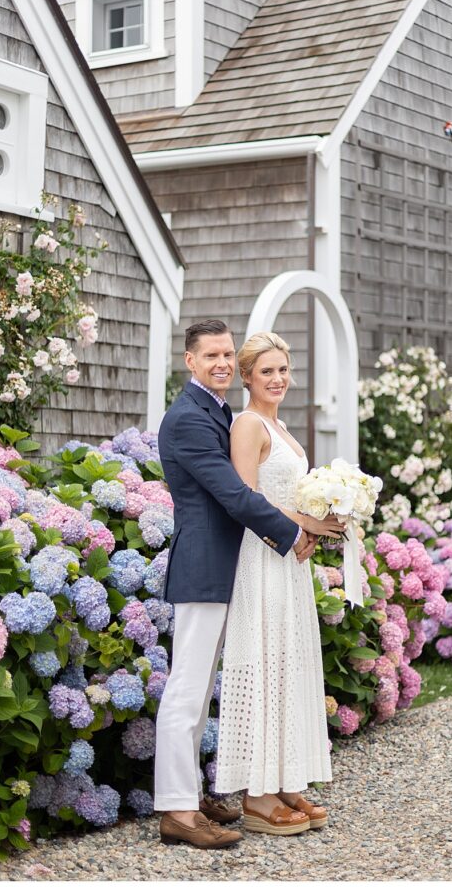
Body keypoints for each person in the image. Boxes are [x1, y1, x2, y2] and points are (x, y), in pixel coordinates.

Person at [154, 320, 342, 849]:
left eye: (226, 354)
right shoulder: (190, 418)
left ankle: (193, 795)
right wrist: (294, 531)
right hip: (205, 568)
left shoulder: (215, 412)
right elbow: (234, 496)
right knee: (188, 691)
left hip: (231, 566)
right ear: (189, 360)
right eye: (209, 355)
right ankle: (176, 810)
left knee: (204, 689)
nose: (219, 362)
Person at [214, 332, 333, 835]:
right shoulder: (247, 423)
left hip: (288, 557)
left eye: (283, 369)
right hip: (261, 558)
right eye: (267, 371)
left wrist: (316, 523)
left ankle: (284, 779)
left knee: (288, 663)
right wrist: (303, 522)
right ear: (247, 377)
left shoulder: (280, 426)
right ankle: (257, 797)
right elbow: (246, 498)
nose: (278, 379)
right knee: (264, 662)